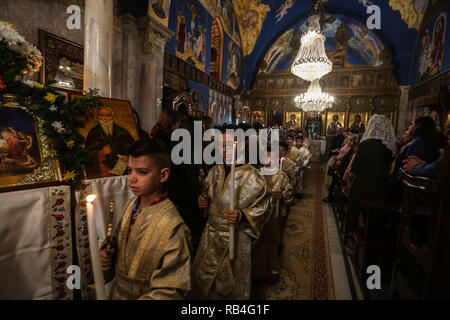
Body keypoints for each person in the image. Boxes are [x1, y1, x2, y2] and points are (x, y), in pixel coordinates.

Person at [99, 138, 192, 299]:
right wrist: (108, 253)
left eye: (142, 172)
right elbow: (121, 242)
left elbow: (170, 288)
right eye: (130, 171)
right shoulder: (131, 205)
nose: (132, 178)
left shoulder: (172, 226)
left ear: (163, 175)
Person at [192, 131, 272, 299]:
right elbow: (208, 198)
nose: (223, 150)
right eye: (220, 146)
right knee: (203, 279)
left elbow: (265, 206)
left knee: (230, 282)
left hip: (236, 236)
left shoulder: (253, 177)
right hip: (210, 234)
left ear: (241, 145)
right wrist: (203, 203)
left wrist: (242, 215)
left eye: (228, 145)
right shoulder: (214, 171)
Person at [345, 115, 396, 252]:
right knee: (373, 218)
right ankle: (371, 245)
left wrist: (349, 180)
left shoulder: (366, 144)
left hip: (362, 186)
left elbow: (355, 168)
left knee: (354, 211)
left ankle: (351, 242)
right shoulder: (390, 147)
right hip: (381, 188)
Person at [253, 144, 293, 281]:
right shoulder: (255, 174)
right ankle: (257, 271)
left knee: (272, 241)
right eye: (266, 157)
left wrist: (283, 197)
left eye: (272, 158)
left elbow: (289, 195)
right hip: (257, 214)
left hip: (274, 216)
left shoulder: (282, 177)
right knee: (257, 242)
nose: (269, 161)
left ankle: (273, 269)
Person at [85, 106, 136, 178]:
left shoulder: (121, 131)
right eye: (101, 115)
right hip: (103, 170)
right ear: (98, 117)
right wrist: (100, 153)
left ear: (112, 117)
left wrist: (126, 156)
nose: (105, 118)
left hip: (121, 168)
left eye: (108, 115)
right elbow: (86, 153)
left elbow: (133, 147)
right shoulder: (93, 133)